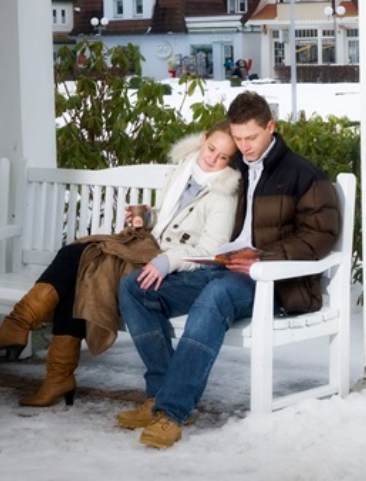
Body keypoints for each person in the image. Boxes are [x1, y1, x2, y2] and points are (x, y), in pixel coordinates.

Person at [116, 90, 340, 448]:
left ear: (271, 127)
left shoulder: (302, 174)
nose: (244, 146)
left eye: (251, 137)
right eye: (238, 139)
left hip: (271, 280)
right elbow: (190, 202)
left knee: (216, 295)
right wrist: (148, 213)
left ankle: (171, 412)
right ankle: (159, 394)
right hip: (221, 267)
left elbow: (321, 237)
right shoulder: (232, 168)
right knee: (135, 288)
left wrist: (263, 257)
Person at [0, 121, 241, 407]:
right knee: (81, 266)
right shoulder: (184, 168)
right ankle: (54, 373)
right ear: (204, 139)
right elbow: (167, 218)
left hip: (160, 265)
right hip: (146, 246)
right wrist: (147, 217)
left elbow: (208, 251)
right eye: (211, 148)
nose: (212, 159)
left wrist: (167, 261)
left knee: (80, 256)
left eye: (223, 157)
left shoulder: (224, 194)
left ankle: (21, 329)